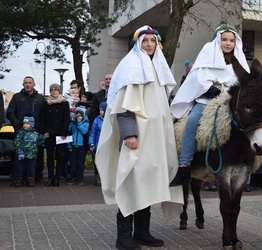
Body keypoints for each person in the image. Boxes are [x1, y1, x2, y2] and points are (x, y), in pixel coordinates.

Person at [95, 25, 183, 249]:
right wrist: (130, 134)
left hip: (156, 141)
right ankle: (123, 237)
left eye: (153, 41)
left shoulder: (157, 68)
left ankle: (142, 232)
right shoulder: (131, 68)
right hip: (137, 139)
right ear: (138, 44)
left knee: (148, 185)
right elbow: (124, 108)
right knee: (131, 184)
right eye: (145, 41)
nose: (150, 45)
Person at [169, 24, 250, 186]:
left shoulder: (239, 61)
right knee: (192, 121)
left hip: (231, 102)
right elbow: (197, 80)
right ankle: (184, 165)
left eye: (232, 40)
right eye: (224, 39)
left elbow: (244, 82)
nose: (228, 43)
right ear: (217, 41)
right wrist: (209, 90)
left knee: (252, 123)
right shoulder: (206, 58)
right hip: (207, 101)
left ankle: (256, 167)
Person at [6, 76, 46, 182]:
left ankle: (36, 176)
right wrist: (16, 124)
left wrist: (40, 127)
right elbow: (10, 112)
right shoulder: (17, 97)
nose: (28, 84)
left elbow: (44, 114)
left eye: (30, 83)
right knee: (19, 154)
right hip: (20, 131)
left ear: (34, 84)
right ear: (23, 84)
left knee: (37, 155)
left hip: (36, 132)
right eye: (26, 83)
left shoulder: (40, 98)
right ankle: (19, 176)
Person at [41, 84, 70, 187]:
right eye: (51, 90)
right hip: (49, 134)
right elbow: (42, 118)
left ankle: (57, 178)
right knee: (49, 156)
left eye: (55, 90)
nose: (53, 92)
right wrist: (44, 131)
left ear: (59, 91)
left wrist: (64, 133)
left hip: (61, 135)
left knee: (60, 157)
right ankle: (50, 178)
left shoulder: (64, 103)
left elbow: (67, 119)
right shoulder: (46, 104)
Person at [13, 116, 47, 187]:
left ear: (32, 124)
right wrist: (19, 152)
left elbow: (38, 142)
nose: (25, 125)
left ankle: (30, 179)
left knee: (31, 168)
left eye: (27, 123)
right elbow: (17, 143)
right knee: (20, 167)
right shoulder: (20, 133)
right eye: (24, 123)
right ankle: (19, 179)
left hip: (32, 154)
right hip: (22, 155)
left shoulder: (35, 134)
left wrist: (44, 138)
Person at [66, 107, 89, 186]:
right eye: (77, 115)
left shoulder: (86, 123)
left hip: (81, 146)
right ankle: (73, 177)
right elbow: (69, 134)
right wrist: (69, 145)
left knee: (80, 163)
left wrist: (79, 123)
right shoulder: (72, 123)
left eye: (80, 116)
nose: (78, 117)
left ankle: (80, 178)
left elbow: (84, 131)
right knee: (72, 163)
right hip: (73, 146)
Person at [88, 102, 107, 186]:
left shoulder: (110, 119)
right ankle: (98, 177)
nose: (100, 112)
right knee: (97, 162)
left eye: (102, 110)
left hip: (106, 145)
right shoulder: (97, 120)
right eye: (100, 110)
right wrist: (91, 144)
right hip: (98, 144)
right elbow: (93, 133)